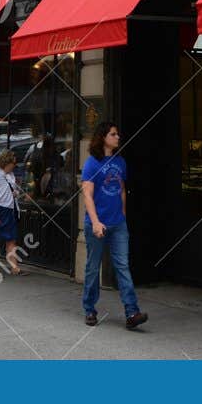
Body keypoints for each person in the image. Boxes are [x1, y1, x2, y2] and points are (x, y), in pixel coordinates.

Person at [81, 122, 146, 330]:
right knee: (93, 267)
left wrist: (123, 215)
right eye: (113, 134)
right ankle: (89, 308)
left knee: (123, 267)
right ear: (103, 138)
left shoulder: (120, 162)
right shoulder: (92, 163)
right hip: (97, 225)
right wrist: (96, 221)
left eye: (117, 134)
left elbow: (122, 190)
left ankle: (131, 312)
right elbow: (87, 195)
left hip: (118, 224)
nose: (118, 137)